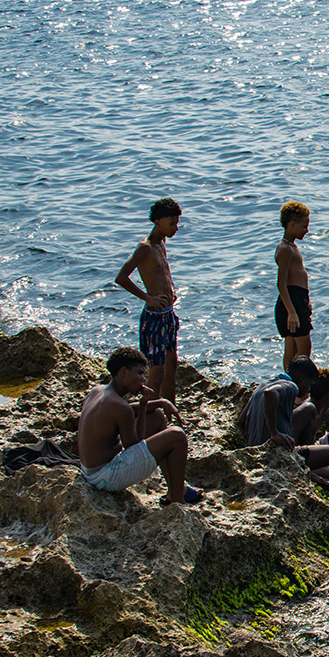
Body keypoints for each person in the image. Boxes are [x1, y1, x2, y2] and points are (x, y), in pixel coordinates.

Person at [241, 355, 329, 530]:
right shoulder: (290, 386)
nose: (308, 390)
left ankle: (307, 467)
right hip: (275, 456)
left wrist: (255, 443)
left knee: (308, 409)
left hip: (255, 453)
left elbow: (241, 422)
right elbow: (272, 394)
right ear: (300, 379)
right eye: (308, 385)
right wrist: (274, 433)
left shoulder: (262, 385)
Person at [77, 347, 201, 506]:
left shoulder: (98, 391)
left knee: (156, 416)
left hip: (89, 472)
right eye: (140, 373)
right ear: (123, 372)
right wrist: (143, 407)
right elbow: (135, 446)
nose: (143, 379)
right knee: (177, 436)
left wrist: (160, 402)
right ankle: (178, 503)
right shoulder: (121, 408)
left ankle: (175, 489)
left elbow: (125, 409)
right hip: (106, 477)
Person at [114, 198, 183, 405]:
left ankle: (170, 411)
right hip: (154, 318)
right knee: (157, 372)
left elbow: (161, 273)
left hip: (168, 314)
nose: (175, 228)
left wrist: (171, 291)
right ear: (157, 221)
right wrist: (148, 298)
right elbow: (121, 277)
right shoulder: (145, 247)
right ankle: (149, 415)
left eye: (177, 223)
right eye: (171, 223)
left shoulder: (162, 242)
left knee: (172, 366)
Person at [275, 201, 313, 371]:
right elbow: (281, 283)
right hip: (292, 301)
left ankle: (292, 385)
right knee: (303, 350)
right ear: (292, 225)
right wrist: (292, 312)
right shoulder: (285, 249)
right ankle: (297, 386)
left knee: (291, 347)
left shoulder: (291, 246)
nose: (307, 230)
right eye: (304, 226)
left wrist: (307, 300)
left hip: (297, 299)